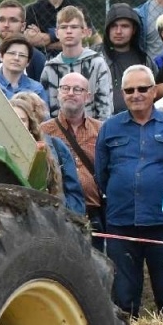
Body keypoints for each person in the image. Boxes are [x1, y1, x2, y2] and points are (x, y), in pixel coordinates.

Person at [95, 65, 163, 315]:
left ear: (154, 91)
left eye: (143, 88)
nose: (137, 94)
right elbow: (102, 174)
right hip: (121, 223)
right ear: (123, 94)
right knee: (123, 296)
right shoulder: (109, 128)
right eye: (130, 90)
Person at [42, 73, 104, 229]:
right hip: (58, 214)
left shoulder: (102, 130)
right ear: (58, 93)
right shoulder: (43, 131)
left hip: (95, 212)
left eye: (77, 89)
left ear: (88, 96)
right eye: (65, 88)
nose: (70, 93)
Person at [11, 91, 84, 216]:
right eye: (14, 118)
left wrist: (69, 219)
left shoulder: (55, 147)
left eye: (23, 119)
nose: (18, 123)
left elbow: (73, 190)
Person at [41, 6, 114, 117]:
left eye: (74, 27)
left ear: (84, 32)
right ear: (56, 33)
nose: (69, 31)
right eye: (64, 27)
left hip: (93, 130)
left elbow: (106, 107)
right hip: (58, 131)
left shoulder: (97, 63)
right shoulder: (50, 68)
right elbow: (45, 110)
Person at [103, 3, 151, 115]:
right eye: (114, 26)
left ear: (134, 30)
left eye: (125, 26)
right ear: (107, 29)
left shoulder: (144, 60)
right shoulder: (96, 57)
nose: (118, 31)